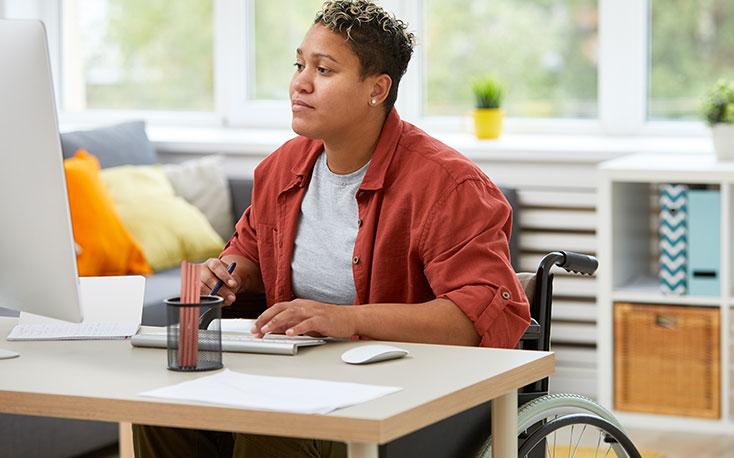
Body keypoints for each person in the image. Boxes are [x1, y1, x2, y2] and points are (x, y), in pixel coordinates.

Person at [134, 1, 530, 457]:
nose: (300, 81)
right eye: (300, 64)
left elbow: (473, 321)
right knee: (161, 413)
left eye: (324, 69)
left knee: (271, 427)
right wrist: (228, 275)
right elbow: (251, 250)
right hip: (300, 379)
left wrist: (346, 320)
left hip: (412, 392)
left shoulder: (449, 186)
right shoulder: (282, 168)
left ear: (376, 89)